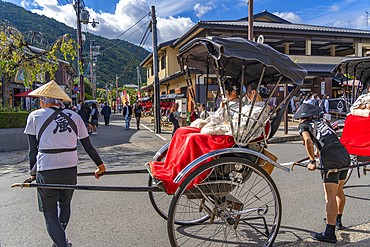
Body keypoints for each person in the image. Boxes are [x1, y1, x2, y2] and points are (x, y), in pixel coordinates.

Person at [25, 80, 105, 247]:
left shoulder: (34, 116)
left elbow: (33, 150)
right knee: (65, 204)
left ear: (43, 100)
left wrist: (33, 173)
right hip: (70, 169)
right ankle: (60, 239)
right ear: (59, 100)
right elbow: (88, 146)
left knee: (49, 213)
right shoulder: (75, 116)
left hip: (46, 169)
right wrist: (100, 165)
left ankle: (62, 244)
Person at [293, 103, 350, 243]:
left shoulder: (304, 126)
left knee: (329, 195)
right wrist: (318, 153)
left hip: (331, 159)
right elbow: (327, 139)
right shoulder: (323, 121)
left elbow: (308, 141)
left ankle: (329, 232)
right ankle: (337, 221)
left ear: (302, 117)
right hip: (344, 155)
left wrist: (312, 160)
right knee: (339, 191)